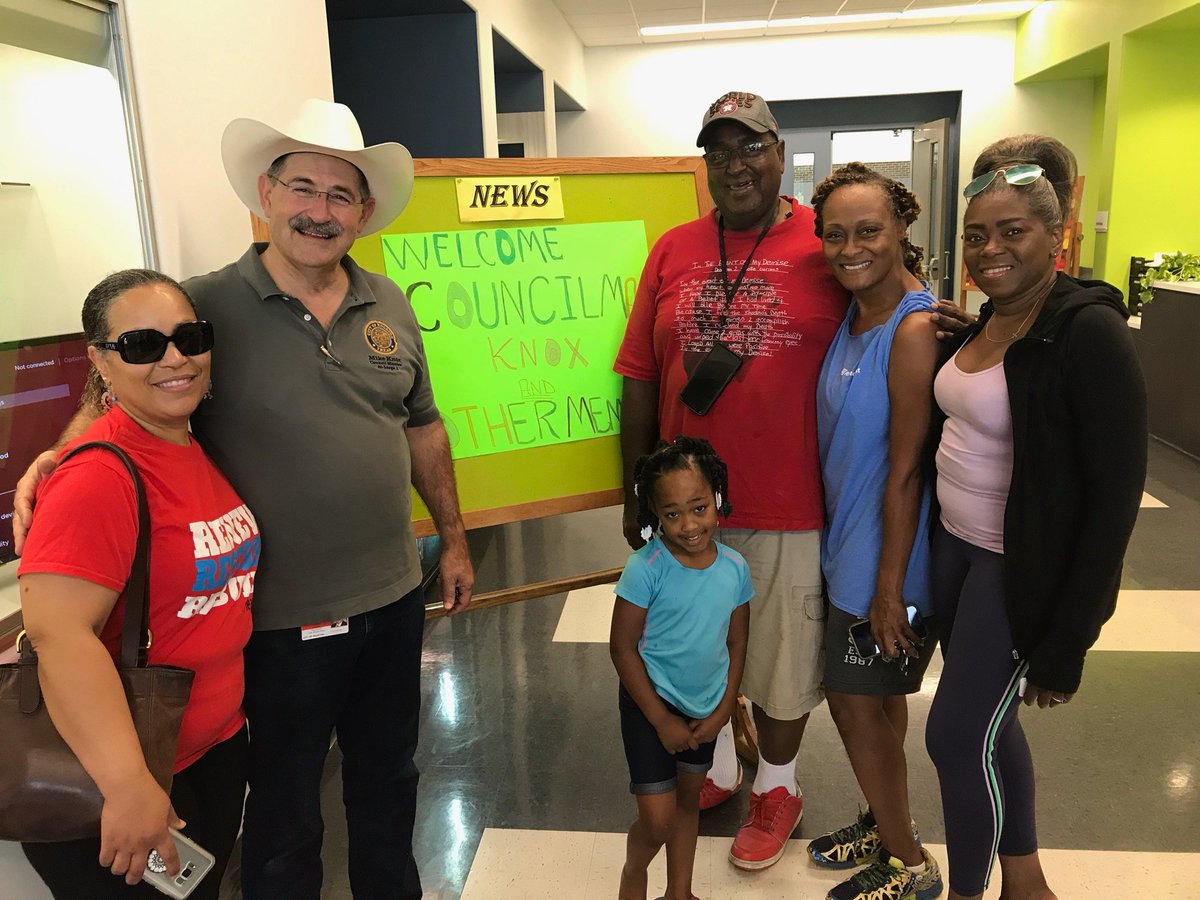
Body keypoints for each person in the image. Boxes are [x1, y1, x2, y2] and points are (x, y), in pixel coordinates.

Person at [13, 99, 474, 900]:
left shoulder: (391, 303)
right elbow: (134, 369)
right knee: (286, 805)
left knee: (389, 775)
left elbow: (422, 426)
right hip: (278, 623)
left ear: (364, 212)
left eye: (340, 195)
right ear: (266, 193)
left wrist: (454, 538)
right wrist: (62, 452)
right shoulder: (203, 308)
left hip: (395, 597)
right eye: (303, 188)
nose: (319, 211)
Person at [615, 88, 847, 871]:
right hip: (687, 509)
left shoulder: (824, 241)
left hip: (789, 499)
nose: (736, 165)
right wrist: (635, 491)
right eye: (719, 152)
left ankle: (778, 786)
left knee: (781, 655)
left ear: (780, 153)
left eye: (751, 147)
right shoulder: (672, 249)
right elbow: (639, 373)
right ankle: (716, 761)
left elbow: (886, 316)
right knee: (694, 645)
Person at [924, 134, 1146, 900]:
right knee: (993, 725)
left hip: (1016, 572)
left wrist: (1067, 642)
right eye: (976, 235)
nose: (991, 249)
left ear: (1057, 235)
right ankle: (1026, 879)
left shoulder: (1089, 334)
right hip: (954, 553)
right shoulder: (986, 324)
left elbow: (1113, 503)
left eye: (1012, 231)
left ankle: (968, 892)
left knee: (955, 737)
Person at [17, 269, 255, 899]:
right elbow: (58, 634)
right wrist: (127, 787)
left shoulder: (190, 444)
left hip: (207, 753)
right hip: (126, 781)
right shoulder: (97, 475)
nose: (175, 359)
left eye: (189, 338)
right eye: (142, 345)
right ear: (100, 361)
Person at [806, 163, 943, 900]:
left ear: (900, 230)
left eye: (868, 231)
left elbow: (908, 470)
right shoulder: (855, 314)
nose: (851, 248)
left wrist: (889, 590)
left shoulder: (912, 328)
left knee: (852, 700)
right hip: (850, 545)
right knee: (880, 702)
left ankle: (909, 865)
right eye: (836, 235)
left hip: (890, 557)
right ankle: (883, 821)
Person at [610, 437, 752, 900]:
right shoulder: (645, 568)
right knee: (658, 821)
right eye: (672, 514)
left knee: (688, 803)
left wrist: (724, 708)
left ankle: (680, 892)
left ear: (716, 497)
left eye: (699, 508)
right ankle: (634, 871)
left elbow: (737, 641)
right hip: (650, 705)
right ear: (654, 512)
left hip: (705, 709)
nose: (689, 525)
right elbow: (622, 649)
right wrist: (661, 719)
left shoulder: (735, 568)